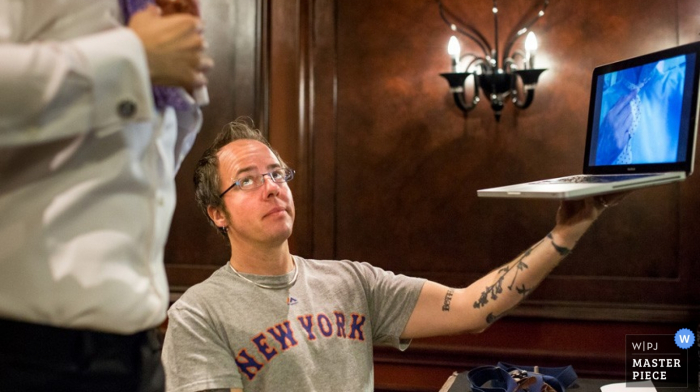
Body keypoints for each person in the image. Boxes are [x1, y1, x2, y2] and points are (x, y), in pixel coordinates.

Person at [160, 119, 625, 392]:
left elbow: (471, 308)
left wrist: (566, 232)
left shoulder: (349, 282)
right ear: (217, 213)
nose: (271, 188)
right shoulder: (197, 315)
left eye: (277, 174)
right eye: (247, 179)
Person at [0, 0, 212, 390]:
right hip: (28, 358)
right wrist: (132, 60)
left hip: (137, 353)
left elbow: (137, 171)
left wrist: (170, 75)